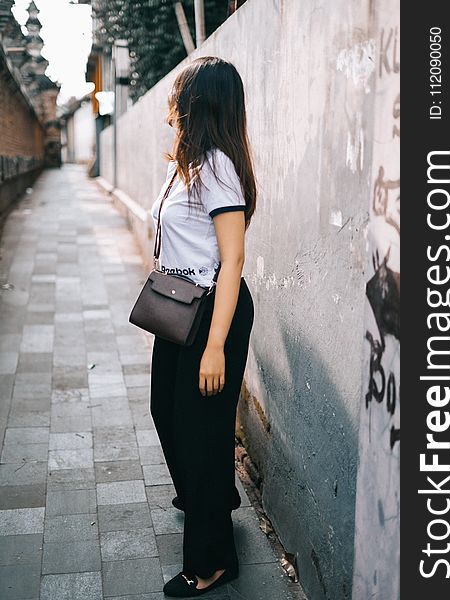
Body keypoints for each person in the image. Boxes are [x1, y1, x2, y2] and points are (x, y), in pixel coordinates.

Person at [149, 56, 257, 597]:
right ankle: (208, 499)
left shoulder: (216, 165)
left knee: (201, 432)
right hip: (179, 306)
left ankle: (212, 560)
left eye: (177, 96)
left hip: (213, 313)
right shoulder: (185, 163)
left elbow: (232, 260)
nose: (170, 106)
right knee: (165, 412)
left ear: (197, 103)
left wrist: (215, 345)